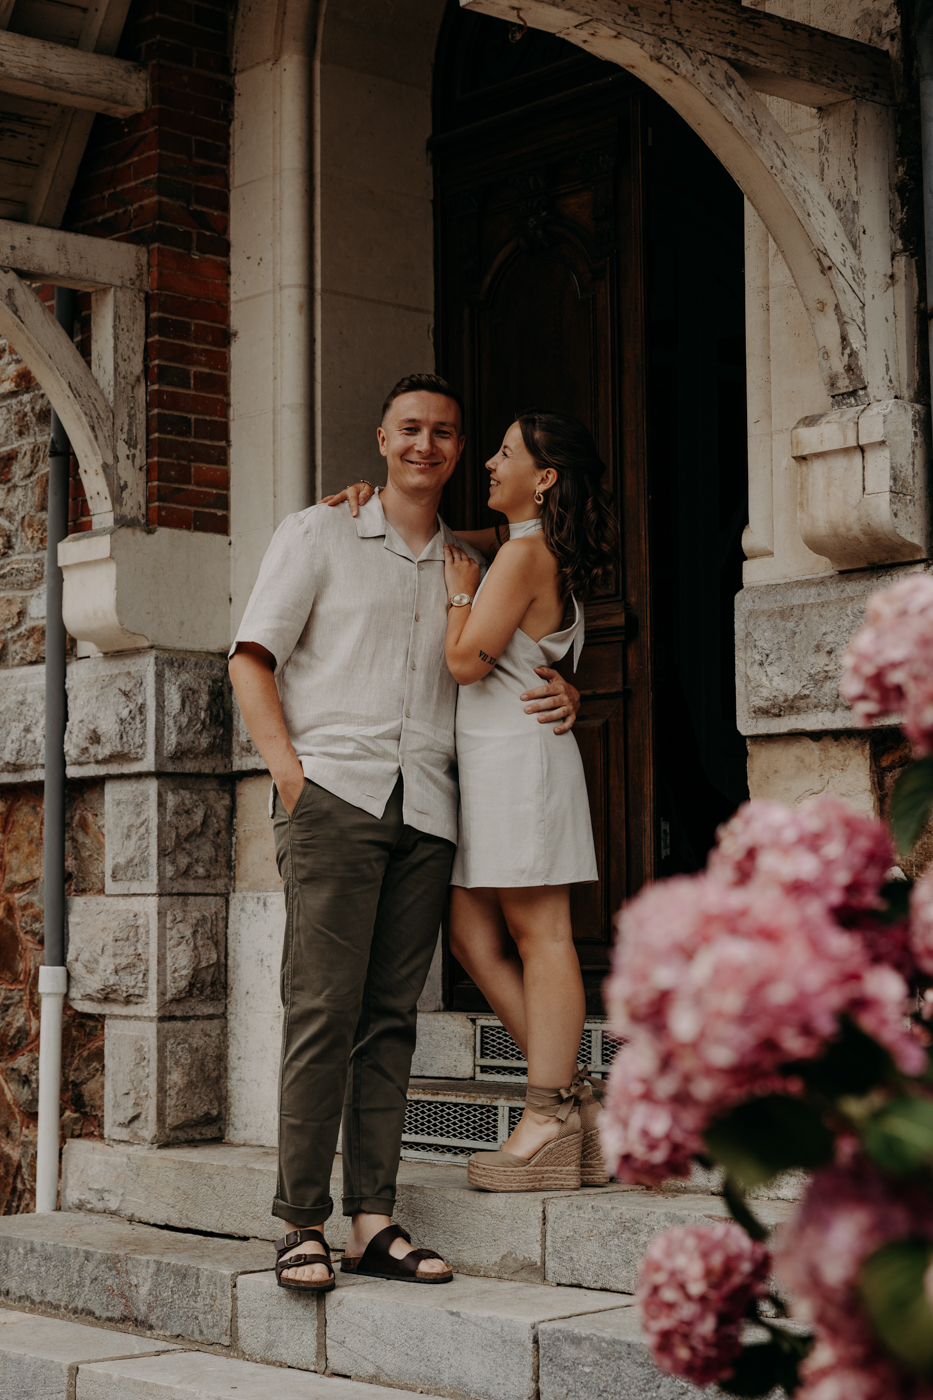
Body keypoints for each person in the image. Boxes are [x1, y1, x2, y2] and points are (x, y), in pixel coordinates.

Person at [228, 375, 581, 1291]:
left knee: (391, 1024)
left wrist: (566, 687)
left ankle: (372, 1222)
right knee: (321, 1015)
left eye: (446, 434)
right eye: (410, 430)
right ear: (381, 438)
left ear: (459, 450)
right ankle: (300, 1221)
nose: (427, 445)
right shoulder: (319, 532)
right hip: (335, 796)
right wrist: (290, 777)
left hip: (429, 809)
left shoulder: (473, 559)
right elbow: (250, 659)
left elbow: (509, 661)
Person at [325, 410, 617, 1192]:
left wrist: (459, 598)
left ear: (544, 477)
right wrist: (374, 495)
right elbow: (449, 538)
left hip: (520, 763)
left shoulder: (524, 557)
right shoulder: (514, 547)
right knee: (470, 935)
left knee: (540, 933)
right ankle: (571, 1097)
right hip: (488, 767)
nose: (487, 462)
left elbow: (462, 662)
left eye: (506, 453)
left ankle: (548, 1112)